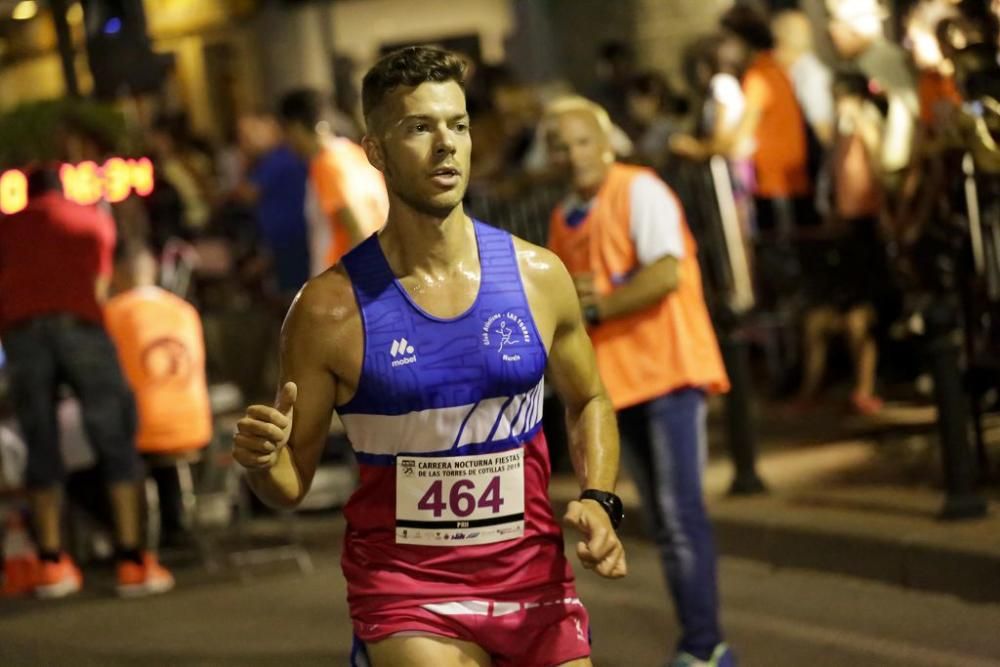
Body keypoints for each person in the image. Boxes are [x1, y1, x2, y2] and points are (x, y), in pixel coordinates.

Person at [233, 47, 627, 667]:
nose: (447, 145)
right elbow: (291, 481)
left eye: (459, 125)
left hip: (534, 581)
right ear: (377, 152)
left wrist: (601, 498)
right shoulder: (327, 312)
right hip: (407, 592)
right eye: (420, 127)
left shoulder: (537, 276)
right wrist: (261, 463)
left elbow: (590, 399)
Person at [544, 96, 735, 667]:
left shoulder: (640, 189)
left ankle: (705, 647)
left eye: (581, 141)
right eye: (560, 145)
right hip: (622, 383)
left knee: (679, 517)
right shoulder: (564, 213)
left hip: (670, 372)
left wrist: (597, 307)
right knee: (662, 517)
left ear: (606, 143)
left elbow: (666, 272)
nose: (572, 154)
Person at [0, 168, 173, 598]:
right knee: (114, 437)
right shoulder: (91, 218)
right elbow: (99, 283)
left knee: (40, 444)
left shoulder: (8, 225)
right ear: (64, 189)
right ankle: (132, 561)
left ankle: (52, 565)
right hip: (80, 326)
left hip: (21, 333)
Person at [104, 243, 213, 544]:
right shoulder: (185, 310)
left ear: (114, 274)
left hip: (141, 433)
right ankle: (174, 526)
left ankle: (126, 540)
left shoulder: (113, 313)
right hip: (197, 428)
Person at [278, 88, 389, 276]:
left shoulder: (326, 165)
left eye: (286, 132)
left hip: (347, 282)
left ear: (295, 127)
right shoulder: (355, 154)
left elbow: (358, 230)